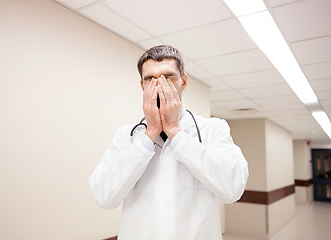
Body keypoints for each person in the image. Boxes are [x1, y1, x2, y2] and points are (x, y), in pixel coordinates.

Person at [89, 45, 249, 240]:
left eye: (168, 77)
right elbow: (104, 196)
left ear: (183, 81)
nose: (159, 85)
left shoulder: (212, 129)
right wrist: (149, 136)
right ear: (142, 86)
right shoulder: (127, 136)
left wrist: (175, 131)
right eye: (150, 79)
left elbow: (233, 189)